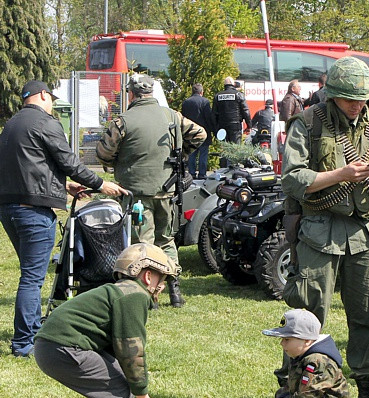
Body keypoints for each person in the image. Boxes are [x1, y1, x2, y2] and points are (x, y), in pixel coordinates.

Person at [280, 56, 369, 398]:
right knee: (305, 318)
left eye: (362, 98)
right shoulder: (307, 123)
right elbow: (293, 178)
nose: (357, 105)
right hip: (319, 230)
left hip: (365, 234)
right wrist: (340, 174)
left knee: (368, 316)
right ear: (332, 95)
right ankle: (293, 392)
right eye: (350, 98)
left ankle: (366, 397)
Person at [0, 80, 127, 358]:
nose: (53, 104)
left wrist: (62, 187)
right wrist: (100, 184)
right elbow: (68, 162)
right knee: (32, 279)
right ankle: (24, 343)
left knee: (29, 275)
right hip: (33, 212)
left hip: (9, 208)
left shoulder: (11, 125)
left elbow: (30, 165)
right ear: (43, 95)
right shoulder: (45, 122)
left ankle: (32, 330)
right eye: (51, 98)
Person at [32, 243, 177, 398]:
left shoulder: (120, 291)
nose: (162, 287)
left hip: (52, 345)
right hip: (62, 347)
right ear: (148, 275)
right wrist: (142, 397)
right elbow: (131, 350)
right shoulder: (134, 296)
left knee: (120, 385)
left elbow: (117, 357)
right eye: (162, 279)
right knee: (116, 393)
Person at [96, 74, 206, 308]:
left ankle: (147, 296)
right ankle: (175, 291)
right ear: (152, 92)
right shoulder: (172, 116)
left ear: (131, 94)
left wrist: (120, 160)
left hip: (135, 193)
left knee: (141, 244)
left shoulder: (123, 121)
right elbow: (200, 134)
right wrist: (181, 154)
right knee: (166, 240)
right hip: (166, 190)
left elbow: (103, 153)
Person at [181, 83, 215, 179]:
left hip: (190, 132)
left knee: (192, 154)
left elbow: (184, 118)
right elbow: (208, 118)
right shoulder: (205, 102)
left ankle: (191, 173)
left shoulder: (186, 102)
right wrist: (213, 130)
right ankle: (202, 174)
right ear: (201, 92)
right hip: (203, 132)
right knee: (203, 154)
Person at [213, 76, 251, 143]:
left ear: (224, 85)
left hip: (222, 126)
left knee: (224, 148)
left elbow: (214, 114)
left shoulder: (217, 96)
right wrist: (249, 126)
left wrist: (215, 128)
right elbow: (246, 111)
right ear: (233, 84)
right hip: (235, 126)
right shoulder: (238, 94)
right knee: (235, 148)